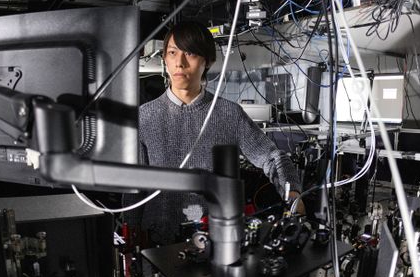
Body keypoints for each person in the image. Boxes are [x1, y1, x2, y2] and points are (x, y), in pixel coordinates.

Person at [126, 21, 302, 245]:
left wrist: (293, 194)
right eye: (172, 53)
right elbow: (134, 186)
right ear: (164, 59)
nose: (179, 63)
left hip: (218, 241)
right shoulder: (144, 117)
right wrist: (130, 233)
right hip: (158, 240)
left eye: (189, 53)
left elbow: (271, 157)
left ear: (208, 61)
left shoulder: (229, 114)